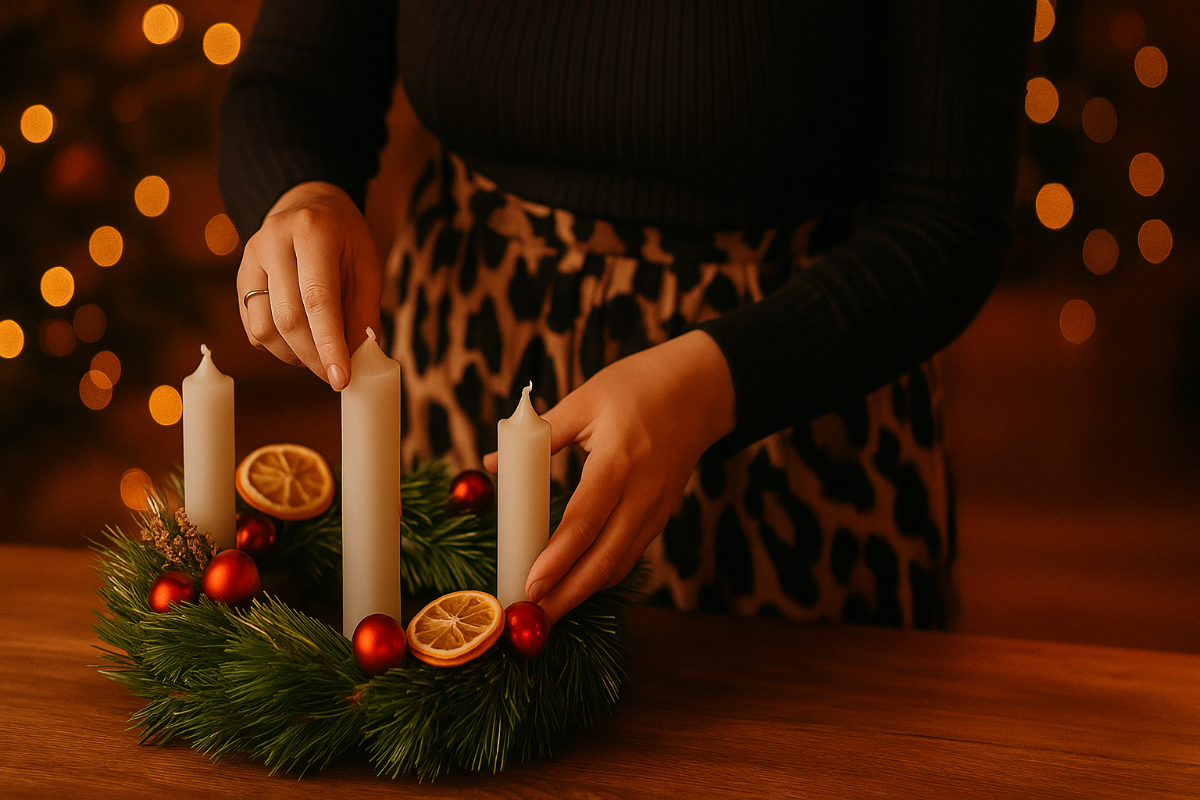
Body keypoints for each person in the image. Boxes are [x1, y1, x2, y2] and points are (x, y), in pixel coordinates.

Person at [219, 0, 1034, 628]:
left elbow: (949, 217)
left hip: (794, 413)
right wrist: (301, 192)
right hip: (465, 389)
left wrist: (715, 384)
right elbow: (291, 84)